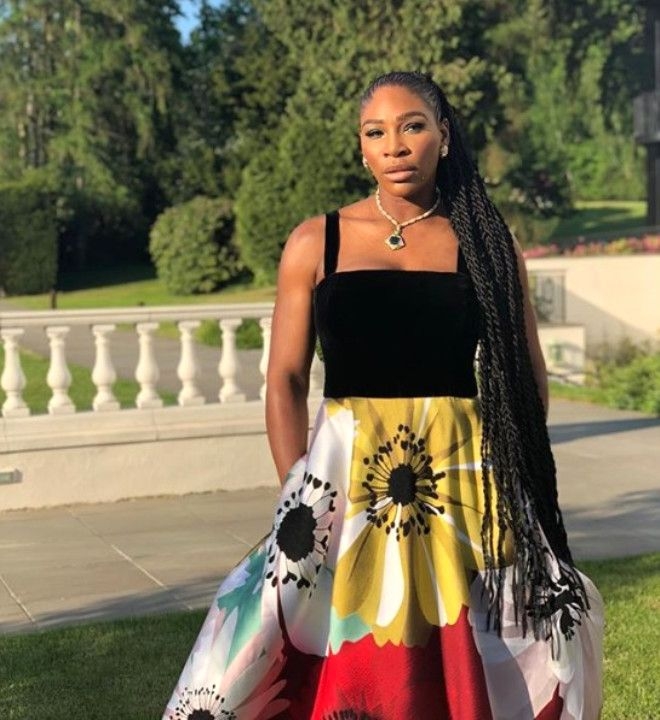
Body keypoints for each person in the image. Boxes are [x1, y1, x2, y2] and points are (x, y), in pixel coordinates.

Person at [162, 71, 603, 720]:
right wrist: (299, 491)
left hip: (460, 480)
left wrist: (511, 478)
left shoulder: (486, 243)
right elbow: (285, 379)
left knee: (468, 645)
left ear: (443, 137)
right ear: (362, 149)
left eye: (412, 126)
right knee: (319, 646)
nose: (394, 145)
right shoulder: (316, 241)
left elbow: (524, 372)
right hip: (342, 481)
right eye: (376, 132)